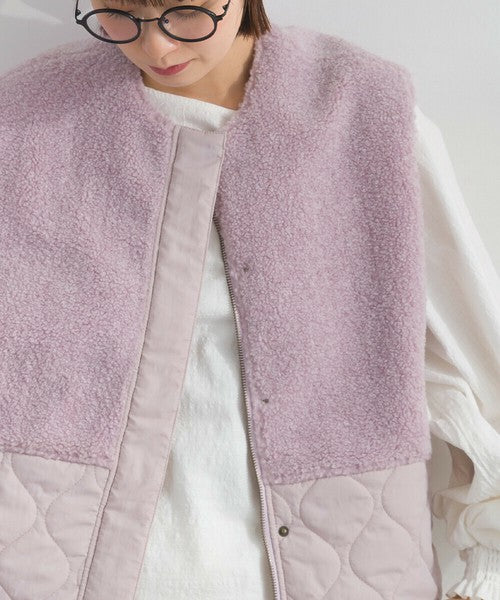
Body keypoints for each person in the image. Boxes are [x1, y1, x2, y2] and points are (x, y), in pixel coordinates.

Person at [0, 1, 498, 599]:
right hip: (58, 567)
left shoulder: (363, 111)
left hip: (334, 569)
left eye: (186, 10)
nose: (156, 46)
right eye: (120, 12)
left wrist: (486, 565)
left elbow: (467, 356)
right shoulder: (28, 119)